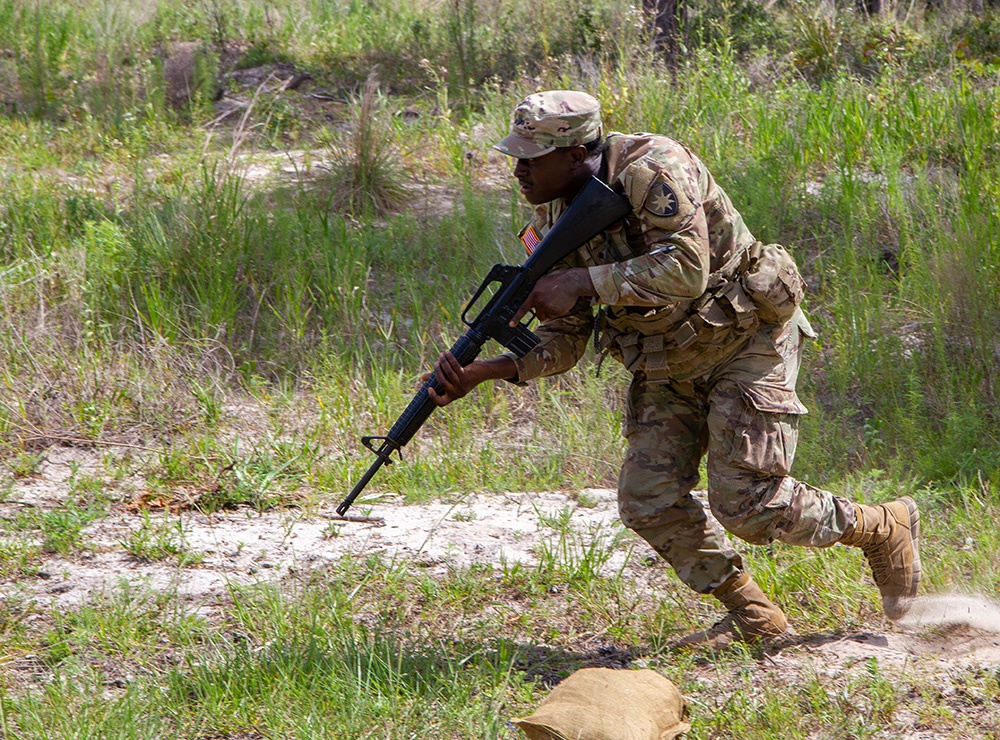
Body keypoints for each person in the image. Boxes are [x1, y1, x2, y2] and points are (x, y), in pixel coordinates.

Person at [424, 90, 921, 647]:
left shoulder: (654, 169)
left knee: (748, 504)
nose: (517, 169)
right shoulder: (551, 221)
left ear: (575, 153)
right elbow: (566, 341)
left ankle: (882, 526)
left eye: (530, 157)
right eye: (516, 156)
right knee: (648, 499)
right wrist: (487, 371)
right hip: (666, 360)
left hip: (743, 339)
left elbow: (686, 269)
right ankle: (754, 616)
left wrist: (580, 282)